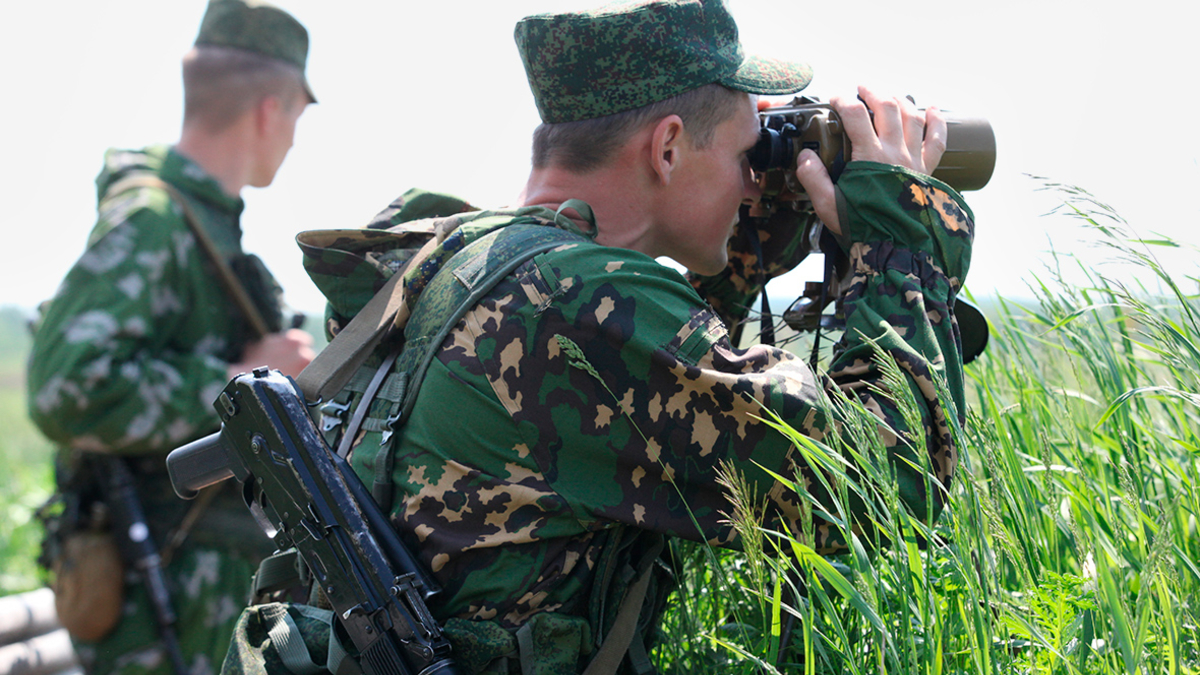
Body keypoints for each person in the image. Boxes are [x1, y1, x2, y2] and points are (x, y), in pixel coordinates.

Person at [224, 0, 974, 672]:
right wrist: (903, 244)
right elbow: (884, 480)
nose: (754, 184)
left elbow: (647, 408)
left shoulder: (455, 262)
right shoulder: (580, 304)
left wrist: (746, 249)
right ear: (668, 147)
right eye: (747, 158)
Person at [26, 1, 317, 674]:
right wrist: (236, 380)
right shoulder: (155, 220)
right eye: (298, 117)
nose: (295, 139)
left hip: (199, 597)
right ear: (270, 110)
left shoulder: (206, 230)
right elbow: (65, 388)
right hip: (156, 613)